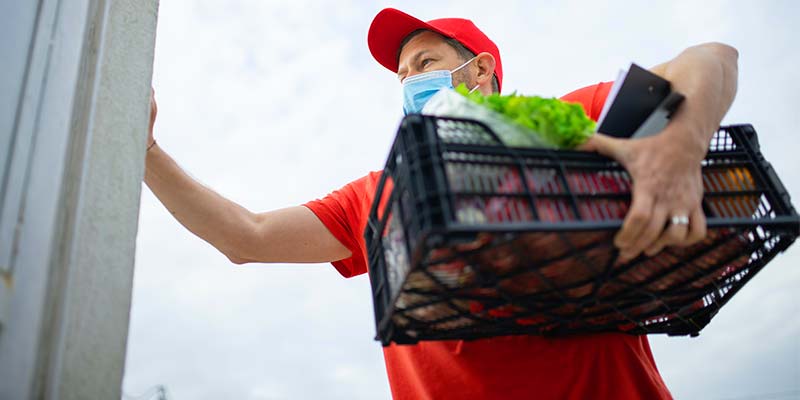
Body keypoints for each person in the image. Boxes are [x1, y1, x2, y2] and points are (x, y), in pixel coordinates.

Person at [144, 7, 738, 400]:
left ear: (479, 72)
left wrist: (680, 150)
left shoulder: (562, 124)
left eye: (425, 64)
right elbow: (246, 237)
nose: (409, 84)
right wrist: (143, 151)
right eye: (401, 76)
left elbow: (713, 58)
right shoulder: (378, 196)